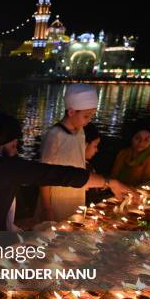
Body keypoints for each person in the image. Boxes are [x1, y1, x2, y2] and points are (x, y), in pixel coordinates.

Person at [0, 113, 129, 231]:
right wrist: (109, 182)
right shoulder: (5, 167)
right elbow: (58, 174)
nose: (16, 150)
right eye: (15, 145)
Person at [36, 83, 97, 222]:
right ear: (71, 112)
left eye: (91, 116)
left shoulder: (81, 132)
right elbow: (43, 174)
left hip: (76, 194)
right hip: (56, 199)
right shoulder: (55, 135)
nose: (89, 121)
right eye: (86, 116)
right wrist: (48, 208)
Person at [111, 120, 150, 185]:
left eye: (146, 139)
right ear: (131, 138)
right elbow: (113, 176)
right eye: (137, 138)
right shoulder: (124, 152)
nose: (141, 142)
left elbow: (149, 184)